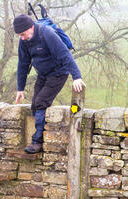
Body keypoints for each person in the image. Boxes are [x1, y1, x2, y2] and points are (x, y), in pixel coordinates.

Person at [13, 14, 86, 154]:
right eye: (19, 35)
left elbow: (65, 54)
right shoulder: (24, 41)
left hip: (59, 73)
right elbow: (22, 64)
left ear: (30, 27)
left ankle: (37, 142)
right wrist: (20, 88)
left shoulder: (47, 34)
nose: (21, 37)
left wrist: (77, 76)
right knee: (35, 104)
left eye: (22, 34)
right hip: (43, 74)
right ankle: (41, 134)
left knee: (41, 102)